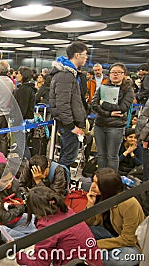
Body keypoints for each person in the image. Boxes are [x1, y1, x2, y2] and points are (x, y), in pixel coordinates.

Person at [17, 186, 103, 266]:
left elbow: (40, 263)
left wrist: (19, 255)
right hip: (91, 261)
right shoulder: (66, 210)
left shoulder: (47, 226)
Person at [86, 168, 144, 266]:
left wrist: (97, 244)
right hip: (110, 235)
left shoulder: (128, 203)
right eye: (93, 182)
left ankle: (93, 256)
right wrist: (90, 205)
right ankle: (95, 255)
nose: (93, 186)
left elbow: (129, 239)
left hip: (131, 244)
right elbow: (90, 223)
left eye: (97, 183)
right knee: (83, 231)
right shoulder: (101, 196)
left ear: (107, 186)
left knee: (120, 260)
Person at [49, 41, 88, 169]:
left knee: (67, 155)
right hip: (68, 125)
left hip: (71, 123)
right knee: (68, 157)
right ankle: (59, 183)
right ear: (77, 55)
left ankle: (60, 183)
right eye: (85, 54)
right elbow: (62, 104)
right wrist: (71, 126)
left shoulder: (70, 74)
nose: (86, 58)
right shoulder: (65, 75)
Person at [92, 63, 134, 170]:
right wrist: (109, 113)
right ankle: (100, 180)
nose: (115, 74)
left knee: (112, 156)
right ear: (109, 74)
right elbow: (94, 105)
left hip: (116, 127)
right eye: (113, 72)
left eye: (119, 72)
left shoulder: (128, 90)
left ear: (124, 74)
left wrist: (103, 104)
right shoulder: (103, 87)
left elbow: (123, 107)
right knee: (101, 156)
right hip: (100, 125)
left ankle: (110, 182)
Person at [0, 163, 37, 241]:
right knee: (2, 231)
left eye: (10, 179)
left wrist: (18, 207)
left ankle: (23, 236)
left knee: (33, 218)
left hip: (13, 218)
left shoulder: (15, 183)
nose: (9, 183)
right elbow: (3, 218)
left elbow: (23, 207)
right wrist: (18, 207)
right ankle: (26, 235)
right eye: (5, 181)